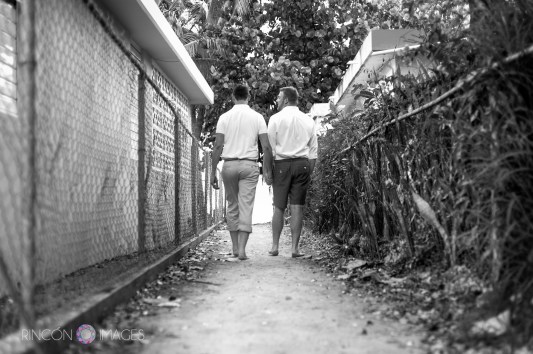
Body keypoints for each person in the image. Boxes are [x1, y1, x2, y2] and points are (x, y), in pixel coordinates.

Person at [210, 84, 273, 260]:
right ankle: (243, 250)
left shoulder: (224, 117)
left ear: (232, 97)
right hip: (249, 166)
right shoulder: (258, 117)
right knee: (246, 206)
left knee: (232, 206)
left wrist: (212, 171)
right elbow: (266, 146)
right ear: (249, 97)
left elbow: (217, 146)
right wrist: (267, 170)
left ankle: (235, 248)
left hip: (229, 165)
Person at [267, 86, 318, 258]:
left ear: (286, 99)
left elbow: (270, 149)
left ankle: (275, 246)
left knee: (279, 206)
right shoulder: (308, 120)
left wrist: (268, 171)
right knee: (298, 207)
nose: (277, 100)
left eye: (279, 97)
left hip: (281, 165)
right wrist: (307, 171)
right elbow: (313, 151)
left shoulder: (275, 119)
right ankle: (295, 249)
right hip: (302, 164)